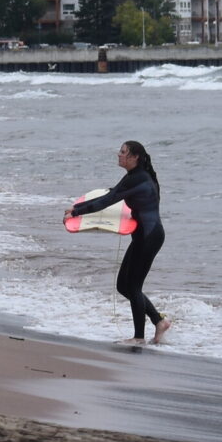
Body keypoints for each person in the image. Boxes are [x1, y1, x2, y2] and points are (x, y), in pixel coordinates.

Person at [66, 140, 169, 344]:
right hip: (143, 235)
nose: (118, 155)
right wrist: (76, 208)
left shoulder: (137, 178)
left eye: (123, 152)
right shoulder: (134, 176)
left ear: (134, 157)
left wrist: (76, 212)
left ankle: (139, 337)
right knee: (124, 285)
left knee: (134, 287)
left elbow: (107, 200)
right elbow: (111, 194)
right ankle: (158, 321)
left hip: (150, 236)